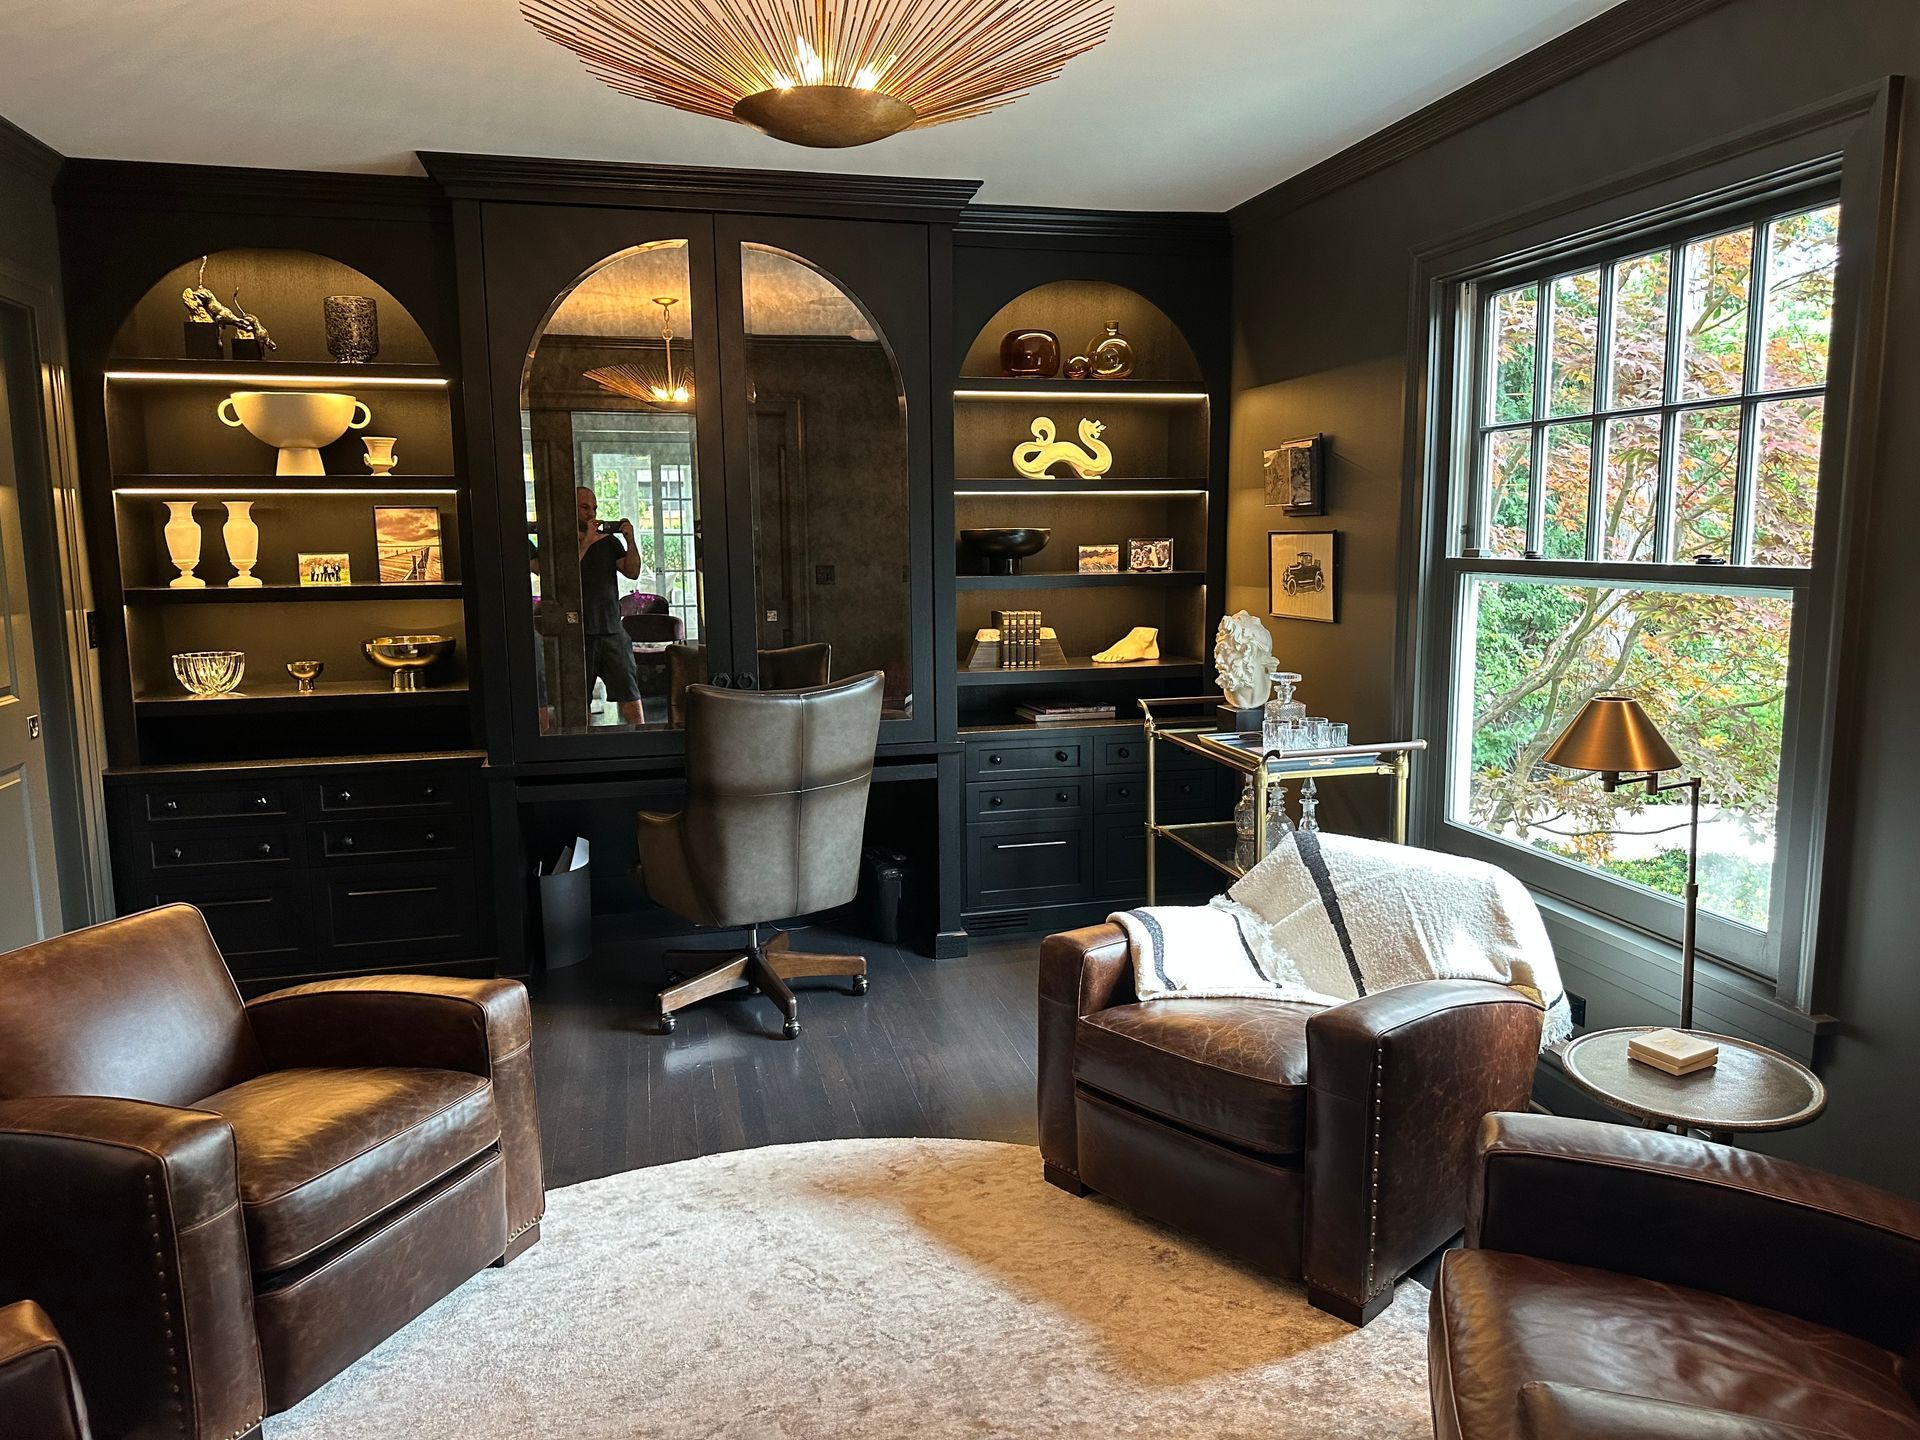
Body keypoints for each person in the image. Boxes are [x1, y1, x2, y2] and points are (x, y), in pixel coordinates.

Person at [575, 485, 645, 726]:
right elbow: (561, 577)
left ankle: (641, 748)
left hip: (612, 629)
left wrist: (630, 539)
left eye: (594, 507)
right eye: (585, 507)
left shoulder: (608, 541)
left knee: (630, 695)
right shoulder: (562, 540)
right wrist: (586, 543)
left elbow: (633, 572)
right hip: (577, 634)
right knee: (575, 704)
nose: (591, 513)